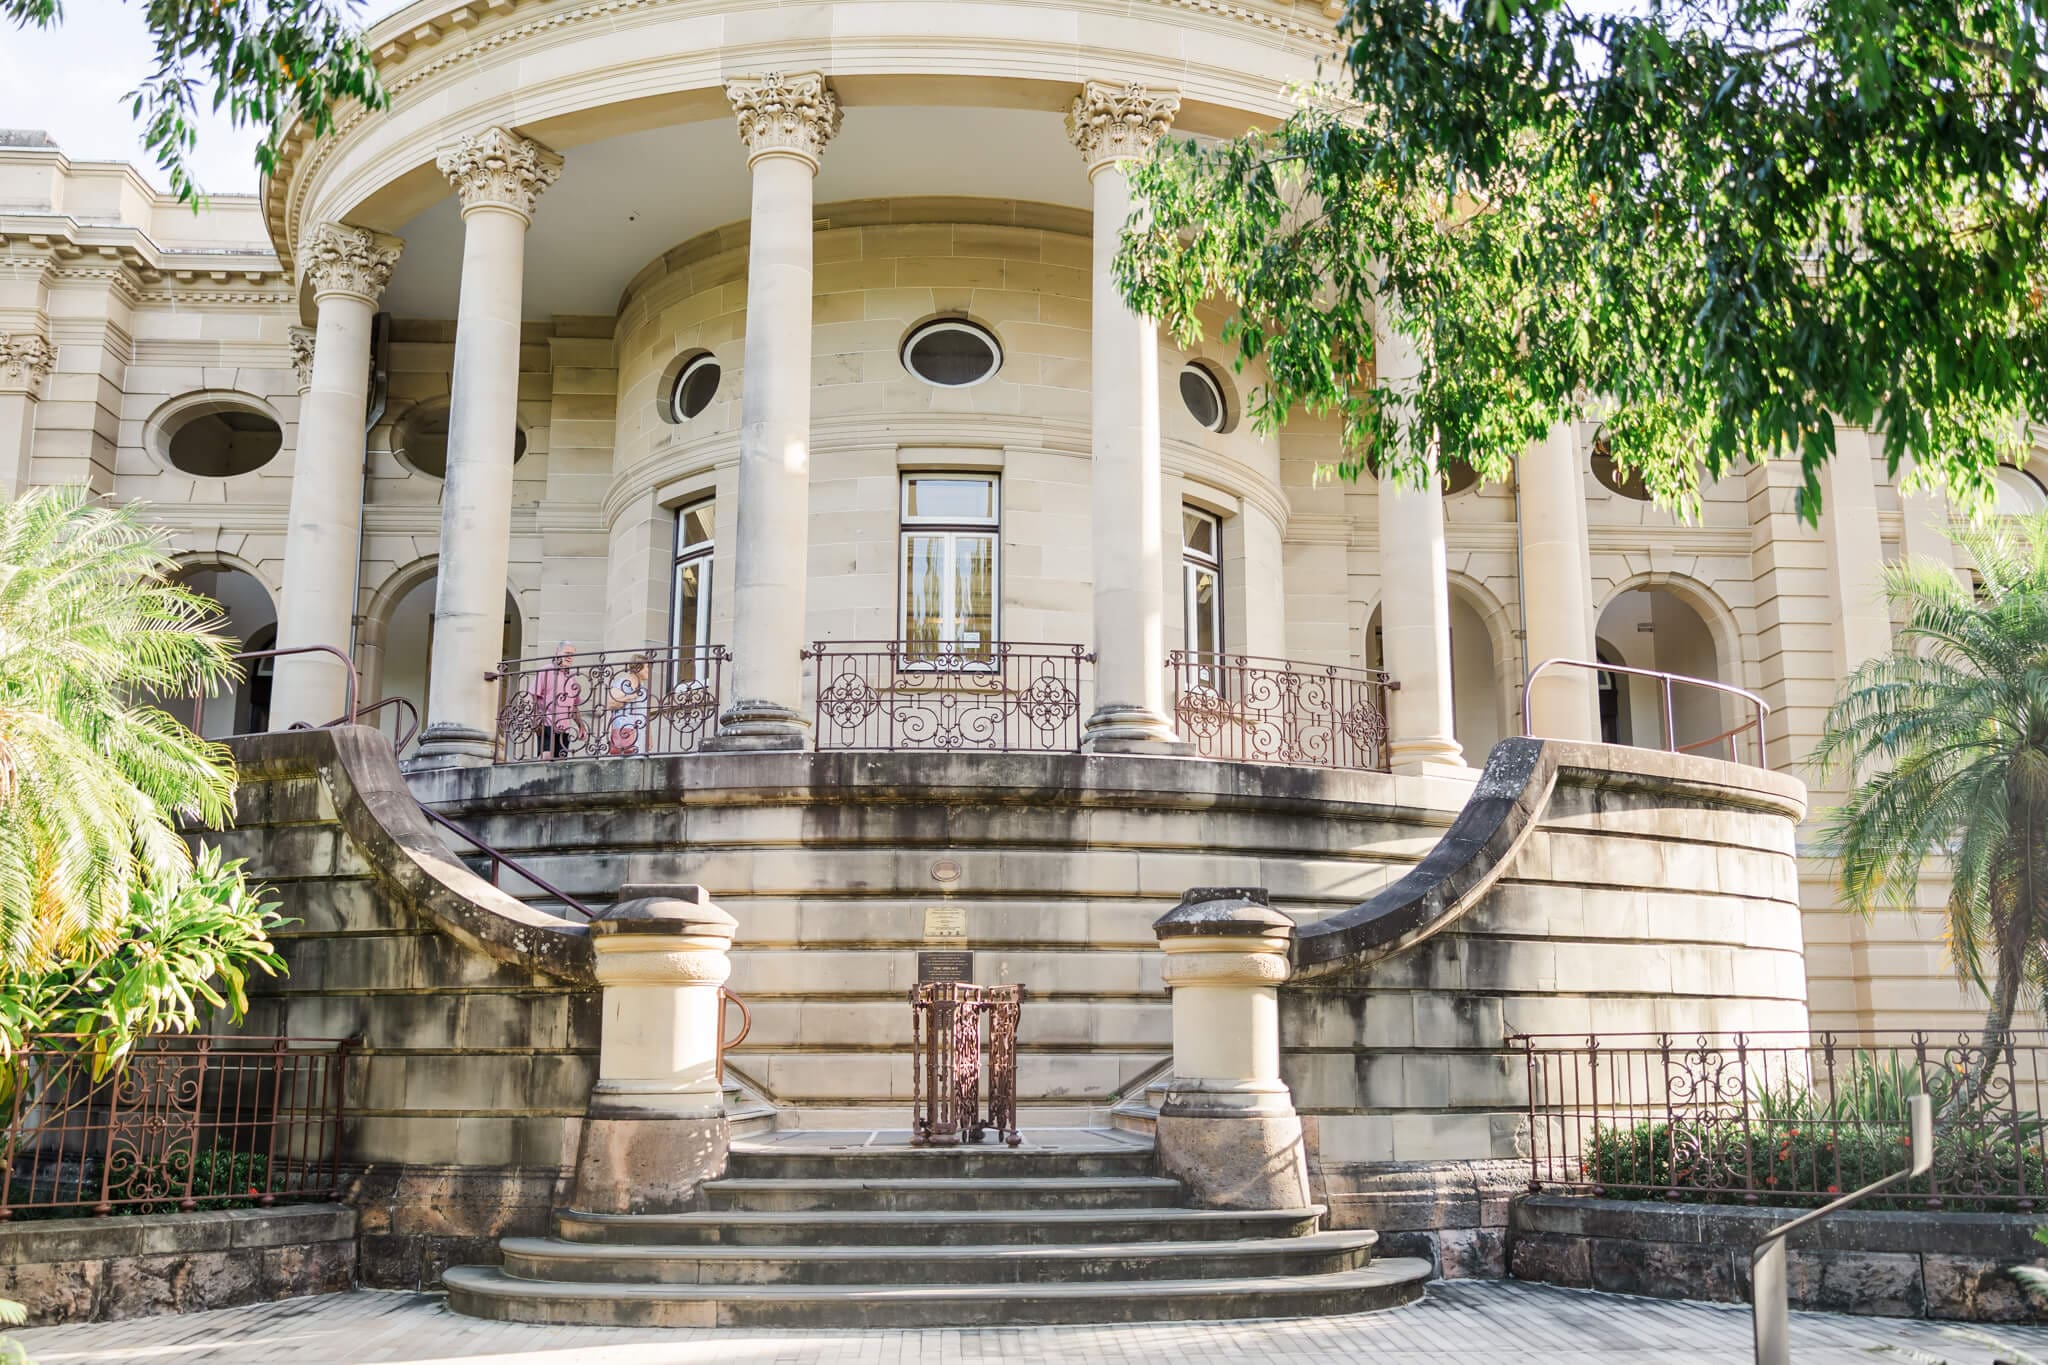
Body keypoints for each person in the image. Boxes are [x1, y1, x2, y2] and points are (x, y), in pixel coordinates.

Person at [527, 642, 585, 759]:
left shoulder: (571, 677)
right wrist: (536, 719)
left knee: (560, 761)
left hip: (565, 727)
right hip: (547, 722)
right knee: (546, 756)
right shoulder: (546, 670)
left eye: (572, 655)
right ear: (558, 653)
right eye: (567, 653)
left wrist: (581, 726)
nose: (569, 657)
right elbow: (532, 696)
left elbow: (574, 706)